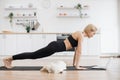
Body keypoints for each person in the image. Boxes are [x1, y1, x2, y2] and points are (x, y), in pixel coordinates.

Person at [3, 24, 97, 69]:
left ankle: (10, 59)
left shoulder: (80, 34)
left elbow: (76, 52)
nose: (94, 35)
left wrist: (75, 65)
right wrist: (77, 66)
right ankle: (9, 58)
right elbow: (79, 52)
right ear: (89, 30)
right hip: (54, 47)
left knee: (34, 55)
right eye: (93, 32)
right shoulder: (80, 35)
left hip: (54, 46)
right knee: (33, 55)